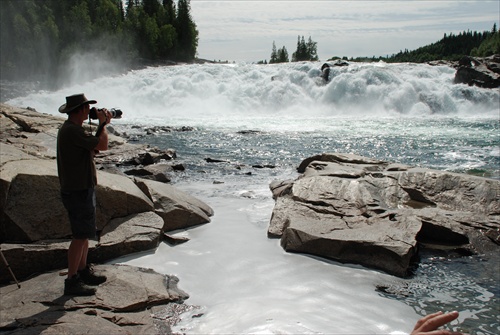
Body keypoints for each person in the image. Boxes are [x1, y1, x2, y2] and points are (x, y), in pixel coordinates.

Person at [57, 93, 111, 296]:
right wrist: (103, 125)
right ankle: (71, 281)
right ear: (79, 110)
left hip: (82, 187)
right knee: (79, 236)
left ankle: (82, 270)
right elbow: (102, 145)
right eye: (87, 107)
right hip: (77, 189)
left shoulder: (73, 130)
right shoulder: (71, 131)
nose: (90, 111)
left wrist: (99, 127)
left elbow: (93, 147)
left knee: (86, 233)